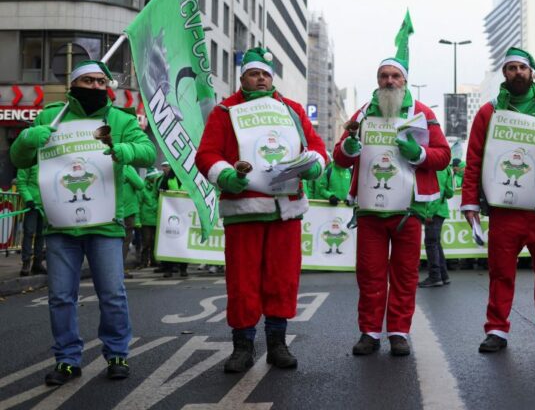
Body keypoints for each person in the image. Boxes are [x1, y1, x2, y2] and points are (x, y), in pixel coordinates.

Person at [10, 60, 155, 384]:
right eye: (87, 81)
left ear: (107, 87)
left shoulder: (120, 119)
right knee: (61, 296)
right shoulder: (51, 117)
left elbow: (147, 151)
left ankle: (117, 353)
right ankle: (67, 360)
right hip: (61, 227)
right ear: (73, 85)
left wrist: (123, 149)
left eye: (100, 81)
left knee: (112, 294)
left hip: (105, 224)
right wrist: (28, 138)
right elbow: (19, 159)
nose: (94, 87)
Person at [196, 47, 326, 371]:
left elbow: (316, 148)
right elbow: (207, 154)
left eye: (266, 74)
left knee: (282, 279)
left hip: (285, 210)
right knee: (242, 282)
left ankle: (277, 343)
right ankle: (242, 347)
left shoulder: (292, 110)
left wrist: (314, 166)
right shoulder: (225, 111)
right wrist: (225, 175)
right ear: (243, 78)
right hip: (244, 209)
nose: (261, 78)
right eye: (255, 73)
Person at [461, 47, 535, 354]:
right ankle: (497, 329)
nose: (517, 73)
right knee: (501, 272)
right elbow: (473, 158)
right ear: (505, 73)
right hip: (506, 208)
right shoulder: (489, 111)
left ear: (532, 72)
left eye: (522, 68)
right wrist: (470, 202)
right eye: (511, 68)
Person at [333, 56, 450, 356]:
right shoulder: (360, 115)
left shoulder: (422, 113)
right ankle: (369, 333)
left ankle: (398, 332)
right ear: (377, 80)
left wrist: (420, 153)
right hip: (371, 210)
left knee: (405, 274)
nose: (389, 81)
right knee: (369, 274)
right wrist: (349, 147)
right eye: (383, 75)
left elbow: (443, 156)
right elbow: (340, 157)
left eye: (395, 76)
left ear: (405, 81)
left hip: (408, 211)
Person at [419, 166, 454, 287]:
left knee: (431, 243)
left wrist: (429, 213)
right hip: (440, 209)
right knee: (435, 243)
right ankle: (443, 276)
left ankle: (435, 277)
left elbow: (436, 191)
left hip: (434, 210)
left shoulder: (438, 168)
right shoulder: (447, 167)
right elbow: (449, 192)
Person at [158, 166, 188, 277]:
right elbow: (160, 192)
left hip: (185, 214)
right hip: (169, 214)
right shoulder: (168, 179)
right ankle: (168, 269)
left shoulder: (189, 179)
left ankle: (183, 268)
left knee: (183, 242)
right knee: (169, 242)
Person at [16, 165, 46, 276]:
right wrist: (28, 199)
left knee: (42, 234)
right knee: (29, 233)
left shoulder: (46, 157)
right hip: (32, 205)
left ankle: (37, 263)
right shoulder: (26, 160)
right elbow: (21, 182)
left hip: (46, 204)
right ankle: (26, 263)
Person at [121, 166, 143, 279]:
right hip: (127, 210)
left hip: (111, 210)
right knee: (124, 241)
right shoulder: (126, 167)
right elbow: (140, 185)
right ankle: (120, 270)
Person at [138, 167, 163, 268]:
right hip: (146, 219)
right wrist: (138, 219)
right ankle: (143, 261)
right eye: (155, 177)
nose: (156, 179)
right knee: (146, 242)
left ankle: (154, 260)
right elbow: (139, 203)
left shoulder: (159, 187)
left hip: (157, 218)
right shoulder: (142, 188)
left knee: (155, 241)